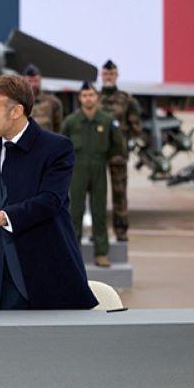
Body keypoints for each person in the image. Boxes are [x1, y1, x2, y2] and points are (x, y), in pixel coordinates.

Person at [0, 75, 98, 310]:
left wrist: (1, 217)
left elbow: (50, 201)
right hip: (0, 278)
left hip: (46, 280)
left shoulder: (56, 148)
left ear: (16, 111)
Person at [61, 82, 124, 267]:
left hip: (99, 168)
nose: (88, 99)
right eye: (84, 95)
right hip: (77, 170)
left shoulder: (106, 121)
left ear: (97, 97)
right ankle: (72, 253)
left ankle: (101, 253)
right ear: (80, 98)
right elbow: (62, 145)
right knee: (75, 211)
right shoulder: (71, 121)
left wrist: (107, 160)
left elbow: (117, 145)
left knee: (99, 211)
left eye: (91, 95)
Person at [98, 59, 141, 242]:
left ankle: (121, 230)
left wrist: (122, 140)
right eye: (106, 74)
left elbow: (136, 127)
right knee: (97, 195)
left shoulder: (127, 100)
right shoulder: (93, 98)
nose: (108, 77)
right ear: (101, 76)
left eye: (112, 74)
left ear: (117, 76)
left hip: (117, 154)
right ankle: (98, 233)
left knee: (119, 193)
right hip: (97, 154)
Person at [23, 64, 63, 133]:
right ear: (23, 81)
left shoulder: (52, 102)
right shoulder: (16, 101)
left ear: (40, 80)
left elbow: (58, 127)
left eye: (36, 81)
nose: (33, 85)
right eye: (30, 81)